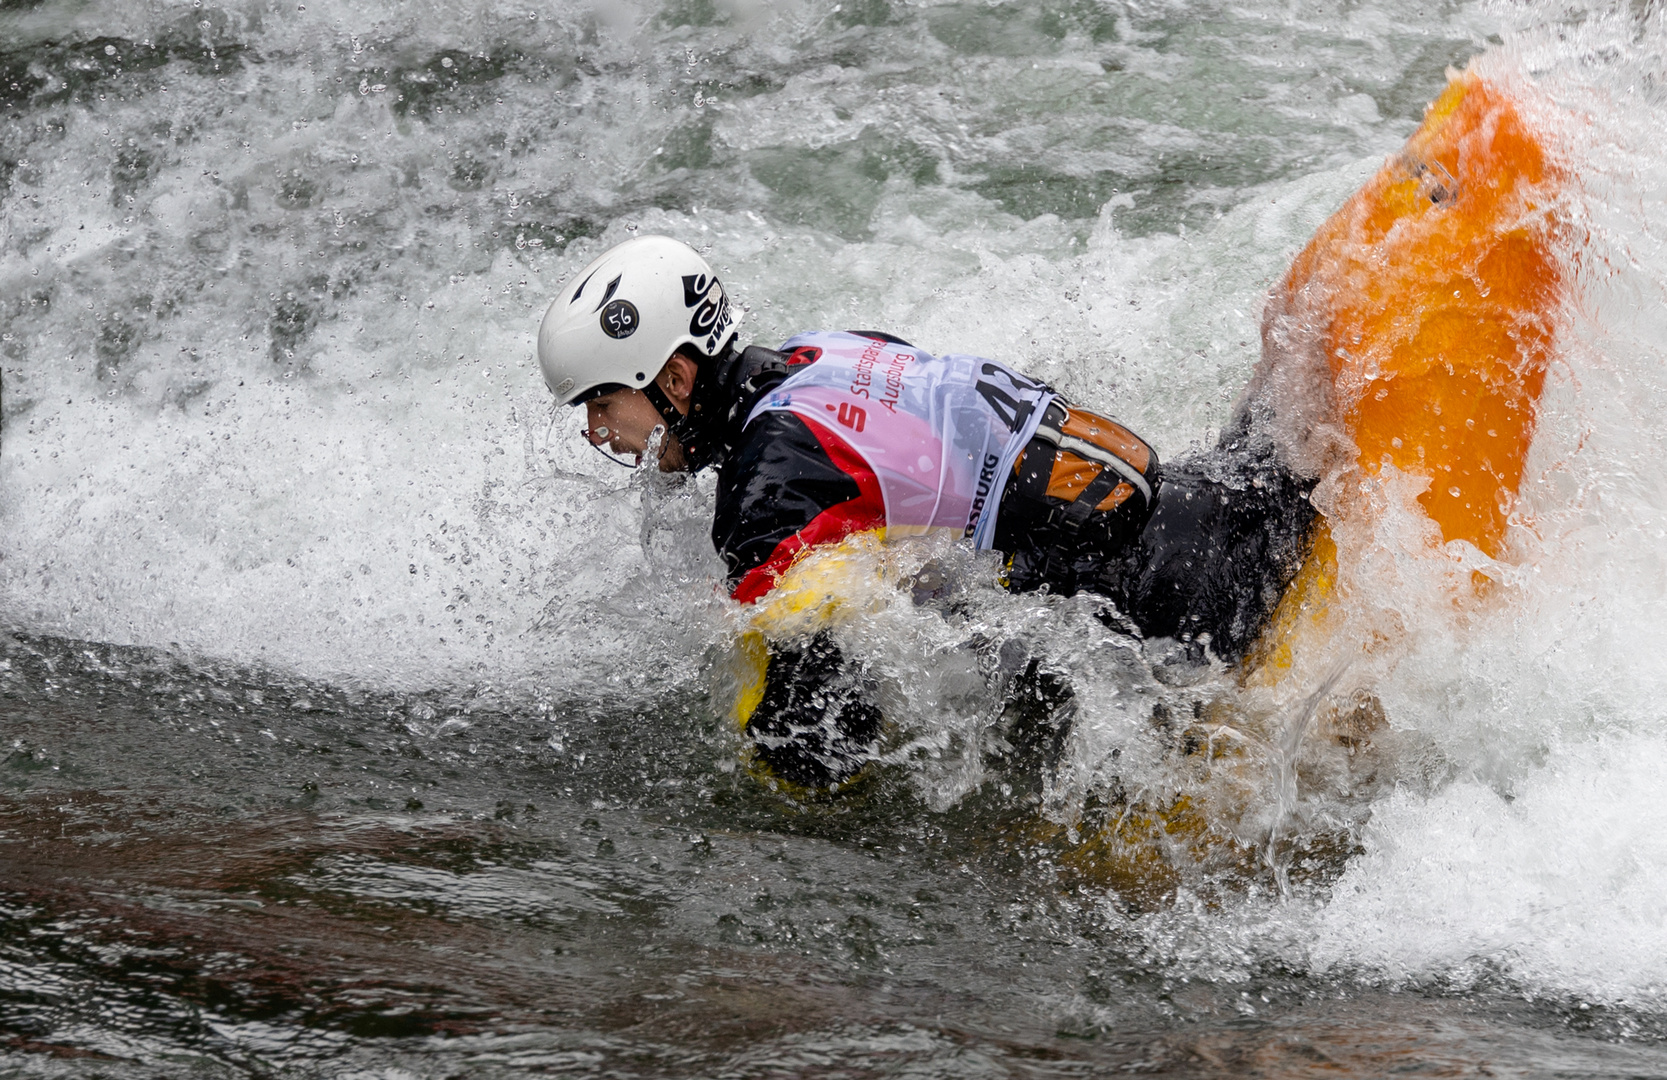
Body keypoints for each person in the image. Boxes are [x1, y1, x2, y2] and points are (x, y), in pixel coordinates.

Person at [538, 235, 1315, 786]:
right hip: (1218, 499)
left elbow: (825, 746)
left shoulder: (766, 494)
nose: (596, 429)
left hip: (1204, 606)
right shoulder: (821, 353)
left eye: (603, 400)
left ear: (674, 380)